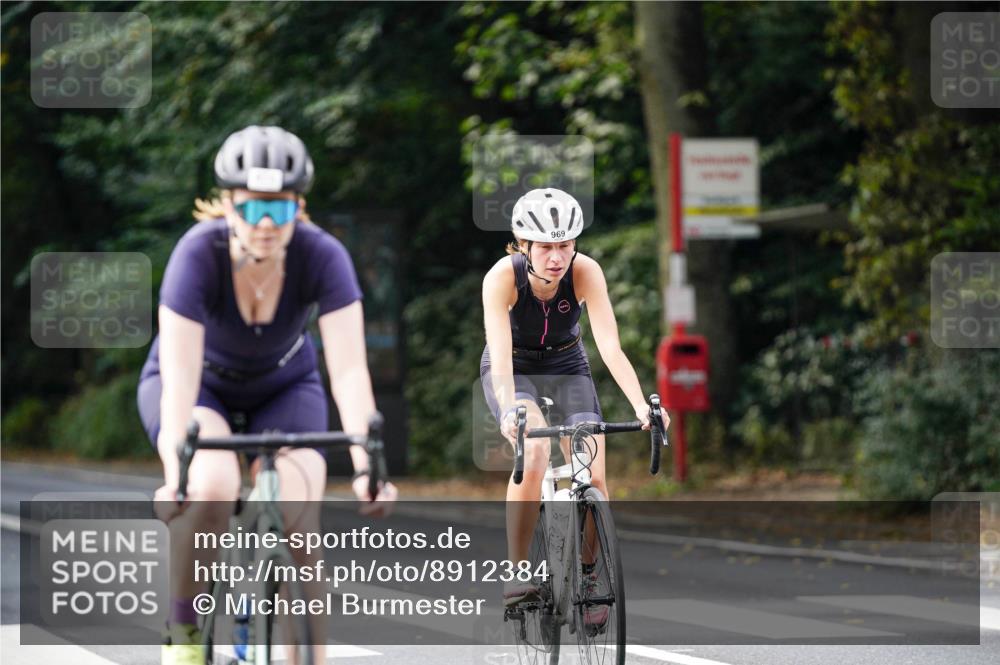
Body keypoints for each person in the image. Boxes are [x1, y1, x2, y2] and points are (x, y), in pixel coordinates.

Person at [137, 125, 397, 665]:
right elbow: (180, 377)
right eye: (252, 207)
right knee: (212, 488)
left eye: (278, 209)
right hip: (199, 385)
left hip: (284, 386)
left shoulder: (322, 255)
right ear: (229, 204)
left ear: (298, 207)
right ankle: (184, 632)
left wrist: (367, 466)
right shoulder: (196, 254)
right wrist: (176, 477)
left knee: (298, 517)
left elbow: (349, 371)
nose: (264, 224)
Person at [480, 188, 668, 625]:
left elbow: (611, 348)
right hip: (515, 367)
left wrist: (641, 406)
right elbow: (501, 359)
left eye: (565, 245)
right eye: (546, 246)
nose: (557, 257)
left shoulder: (586, 272)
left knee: (594, 473)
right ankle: (517, 571)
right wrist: (509, 410)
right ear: (523, 245)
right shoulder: (501, 278)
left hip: (567, 364)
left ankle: (587, 576)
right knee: (535, 450)